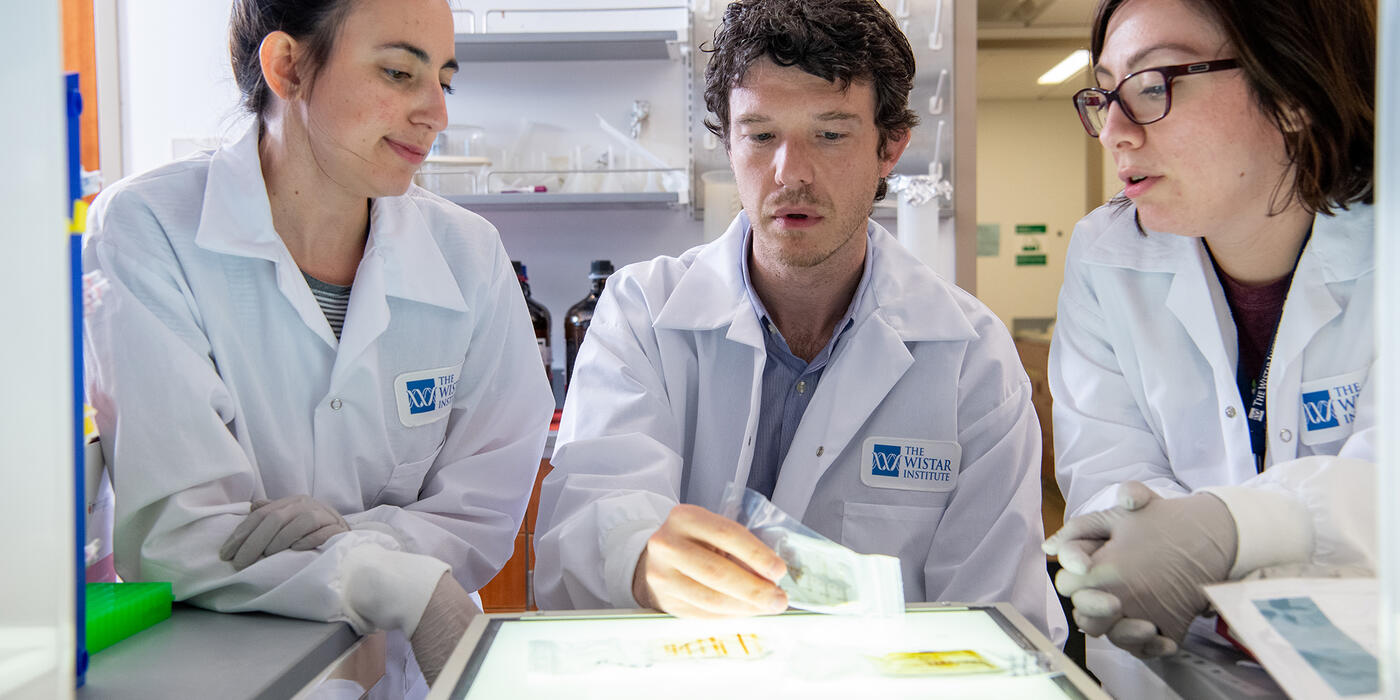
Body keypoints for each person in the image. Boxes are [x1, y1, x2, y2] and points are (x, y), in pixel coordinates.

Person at [533, 0, 1065, 641]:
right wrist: (638, 557)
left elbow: (999, 615)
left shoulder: (970, 356)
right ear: (728, 144)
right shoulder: (641, 314)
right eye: (761, 135)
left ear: (889, 146)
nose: (791, 173)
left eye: (831, 133)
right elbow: (585, 522)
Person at [82, 0, 554, 693]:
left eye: (444, 82)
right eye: (399, 73)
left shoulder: (468, 255)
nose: (436, 113)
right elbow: (177, 534)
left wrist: (348, 542)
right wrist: (384, 576)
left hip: (406, 677)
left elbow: (481, 510)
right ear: (287, 67)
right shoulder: (150, 230)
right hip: (239, 676)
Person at [1042, 0, 1375, 691]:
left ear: (1292, 91)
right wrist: (1137, 556)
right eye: (1105, 95)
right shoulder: (1108, 258)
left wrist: (1231, 529)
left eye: (1152, 85)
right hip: (1167, 670)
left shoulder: (1389, 253)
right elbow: (1107, 463)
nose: (1113, 133)